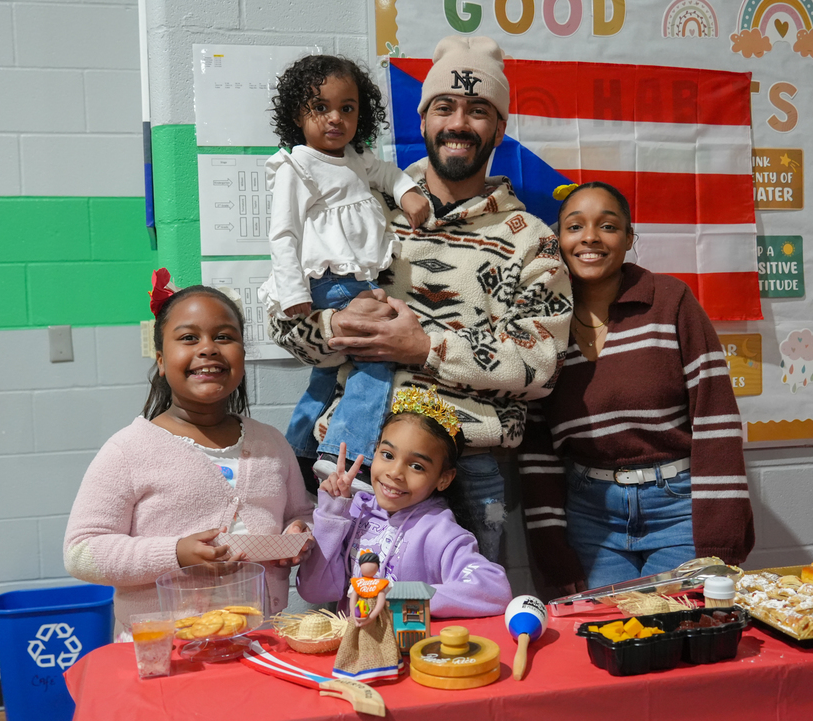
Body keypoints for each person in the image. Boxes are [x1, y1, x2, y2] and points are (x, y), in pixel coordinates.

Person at [270, 36, 572, 562]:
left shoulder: (531, 239)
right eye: (444, 107)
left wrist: (424, 347)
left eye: (479, 111)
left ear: (499, 128)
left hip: (469, 469)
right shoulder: (360, 204)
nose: (459, 123)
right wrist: (337, 324)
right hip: (353, 465)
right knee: (348, 628)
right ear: (424, 120)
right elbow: (285, 324)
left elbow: (540, 364)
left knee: (464, 634)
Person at [517, 182, 755, 594]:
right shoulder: (541, 320)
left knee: (685, 635)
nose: (590, 236)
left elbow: (715, 417)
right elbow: (536, 447)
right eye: (575, 227)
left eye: (607, 226)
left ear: (629, 239)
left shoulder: (670, 300)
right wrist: (551, 548)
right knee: (609, 639)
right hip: (591, 517)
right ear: (558, 241)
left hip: (680, 509)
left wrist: (720, 539)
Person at [64, 270, 314, 637]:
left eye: (224, 337)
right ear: (162, 360)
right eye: (188, 338)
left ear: (242, 356)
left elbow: (301, 513)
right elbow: (81, 552)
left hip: (260, 639)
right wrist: (176, 554)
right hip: (166, 650)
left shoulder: (272, 444)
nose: (208, 347)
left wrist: (300, 531)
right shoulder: (128, 450)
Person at [259, 55, 430, 483]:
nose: (335, 118)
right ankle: (344, 452)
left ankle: (298, 447)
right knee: (377, 359)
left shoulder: (355, 157)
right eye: (321, 107)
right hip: (330, 282)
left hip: (355, 280)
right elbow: (283, 235)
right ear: (298, 114)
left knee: (326, 373)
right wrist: (294, 293)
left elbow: (388, 174)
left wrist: (409, 193)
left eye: (347, 108)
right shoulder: (296, 166)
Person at [297, 386, 513, 620]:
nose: (395, 473)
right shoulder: (355, 511)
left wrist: (398, 594)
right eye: (388, 455)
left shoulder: (441, 533)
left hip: (414, 652)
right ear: (375, 451)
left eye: (417, 466)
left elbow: (496, 590)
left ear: (443, 478)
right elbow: (314, 591)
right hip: (357, 650)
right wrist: (332, 515)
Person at [332, 551, 402, 683]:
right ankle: (355, 667)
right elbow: (352, 600)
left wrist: (372, 616)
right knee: (355, 640)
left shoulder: (381, 583)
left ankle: (382, 667)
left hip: (378, 618)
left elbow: (380, 603)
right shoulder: (357, 583)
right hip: (360, 614)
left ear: (377, 567)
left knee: (382, 639)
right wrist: (354, 615)